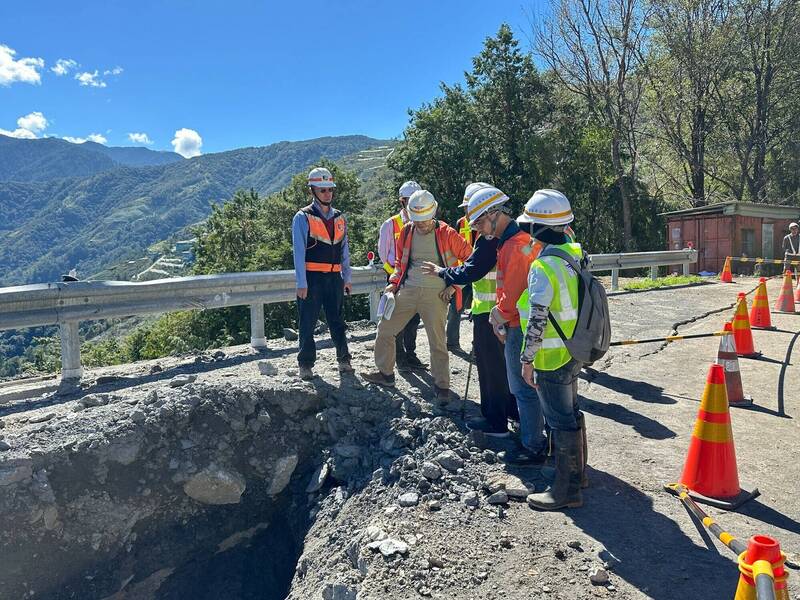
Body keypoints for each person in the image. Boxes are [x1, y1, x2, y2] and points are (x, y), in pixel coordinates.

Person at [422, 184, 518, 436]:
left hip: (491, 313)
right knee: (506, 367)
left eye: (476, 221)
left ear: (492, 213)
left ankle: (496, 421)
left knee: (491, 368)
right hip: (506, 311)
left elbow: (472, 269)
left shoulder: (492, 239)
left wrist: (443, 272)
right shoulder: (515, 233)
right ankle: (512, 412)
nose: (473, 225)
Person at [362, 190, 473, 401]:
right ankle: (385, 373)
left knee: (437, 343)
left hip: (436, 294)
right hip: (408, 290)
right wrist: (393, 285)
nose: (421, 224)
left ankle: (442, 388)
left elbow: (471, 261)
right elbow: (398, 264)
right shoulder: (407, 231)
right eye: (417, 220)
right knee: (385, 328)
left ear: (434, 213)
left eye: (424, 220)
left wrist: (454, 287)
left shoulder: (447, 233)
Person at [518, 189, 585, 511]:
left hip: (552, 355)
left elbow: (538, 318)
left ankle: (565, 491)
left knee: (559, 421)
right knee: (570, 413)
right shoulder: (575, 255)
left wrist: (527, 359)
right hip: (575, 349)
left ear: (540, 229)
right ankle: (577, 477)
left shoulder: (543, 267)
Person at [467, 188, 544, 463]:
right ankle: (536, 438)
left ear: (493, 214)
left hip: (518, 325)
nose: (477, 229)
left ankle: (532, 445)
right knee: (529, 386)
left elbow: (512, 293)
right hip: (521, 322)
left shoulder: (513, 246)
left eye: (478, 222)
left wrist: (497, 315)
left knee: (523, 387)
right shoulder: (518, 239)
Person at [291, 167, 354, 381]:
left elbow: (345, 250)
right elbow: (298, 252)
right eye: (323, 190)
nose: (328, 193)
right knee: (307, 322)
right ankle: (305, 364)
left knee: (337, 320)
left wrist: (347, 278)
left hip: (334, 278)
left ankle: (344, 359)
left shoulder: (339, 217)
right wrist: (301, 282)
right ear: (313, 190)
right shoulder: (303, 217)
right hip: (312, 278)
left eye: (330, 190)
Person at [378, 181, 426, 372]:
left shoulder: (422, 224)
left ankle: (411, 354)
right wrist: (396, 276)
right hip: (396, 279)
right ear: (402, 201)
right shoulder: (390, 224)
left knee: (413, 319)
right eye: (409, 200)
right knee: (396, 319)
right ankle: (400, 358)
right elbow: (384, 254)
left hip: (415, 279)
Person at [446, 199, 475, 351]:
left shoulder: (485, 222)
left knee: (478, 311)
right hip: (463, 272)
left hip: (479, 272)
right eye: (465, 208)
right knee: (455, 307)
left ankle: (477, 345)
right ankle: (452, 343)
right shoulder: (460, 223)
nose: (467, 211)